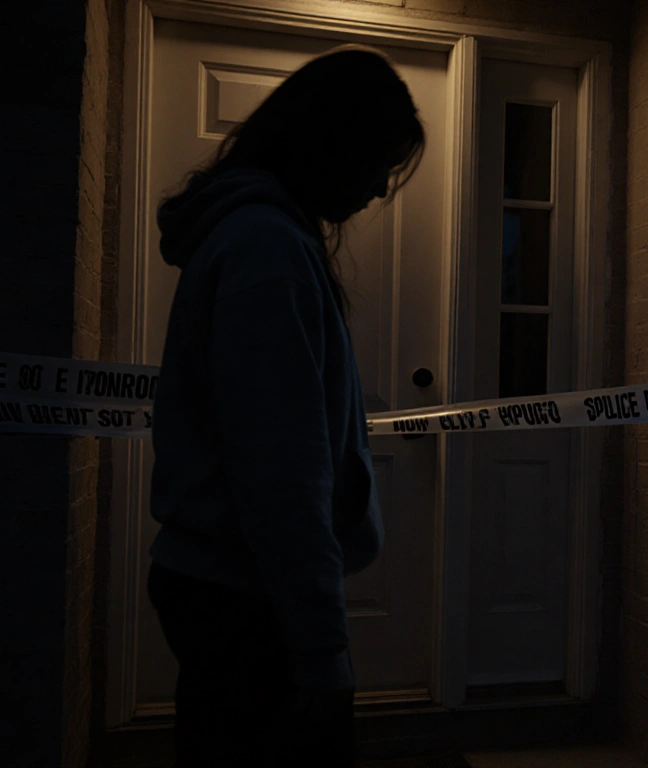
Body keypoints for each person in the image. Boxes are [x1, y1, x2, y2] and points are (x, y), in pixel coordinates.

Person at [146, 46, 425, 767]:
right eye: (378, 164)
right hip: (249, 603)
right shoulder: (267, 251)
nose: (377, 190)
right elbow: (281, 475)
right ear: (332, 145)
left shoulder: (254, 239)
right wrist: (323, 649)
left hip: (226, 591)